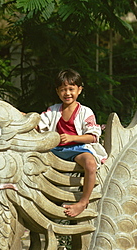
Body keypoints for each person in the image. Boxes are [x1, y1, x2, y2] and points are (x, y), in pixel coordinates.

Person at [37, 68, 108, 217]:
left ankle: (83, 202)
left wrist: (72, 138)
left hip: (78, 148)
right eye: (63, 89)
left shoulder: (85, 112)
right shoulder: (53, 110)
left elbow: (93, 136)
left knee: (90, 164)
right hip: (55, 149)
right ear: (57, 91)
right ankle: (41, 198)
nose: (67, 93)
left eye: (71, 89)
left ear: (79, 90)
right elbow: (39, 123)